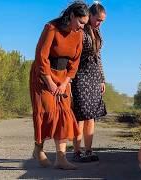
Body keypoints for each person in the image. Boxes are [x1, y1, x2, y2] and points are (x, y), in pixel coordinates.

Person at [29, 1, 89, 170]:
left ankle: (61, 158)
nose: (82, 27)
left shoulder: (79, 34)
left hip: (63, 78)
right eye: (80, 22)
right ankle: (38, 148)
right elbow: (41, 56)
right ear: (71, 16)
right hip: (43, 75)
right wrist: (49, 82)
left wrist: (64, 83)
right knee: (46, 113)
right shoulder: (51, 28)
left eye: (85, 23)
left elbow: (74, 63)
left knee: (63, 115)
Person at [71, 2, 107, 162]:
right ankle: (76, 152)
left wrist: (102, 79)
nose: (99, 23)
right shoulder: (80, 30)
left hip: (93, 76)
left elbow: (98, 57)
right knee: (80, 115)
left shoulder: (98, 32)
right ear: (90, 15)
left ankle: (88, 151)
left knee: (91, 116)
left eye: (102, 21)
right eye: (98, 19)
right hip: (79, 75)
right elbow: (74, 55)